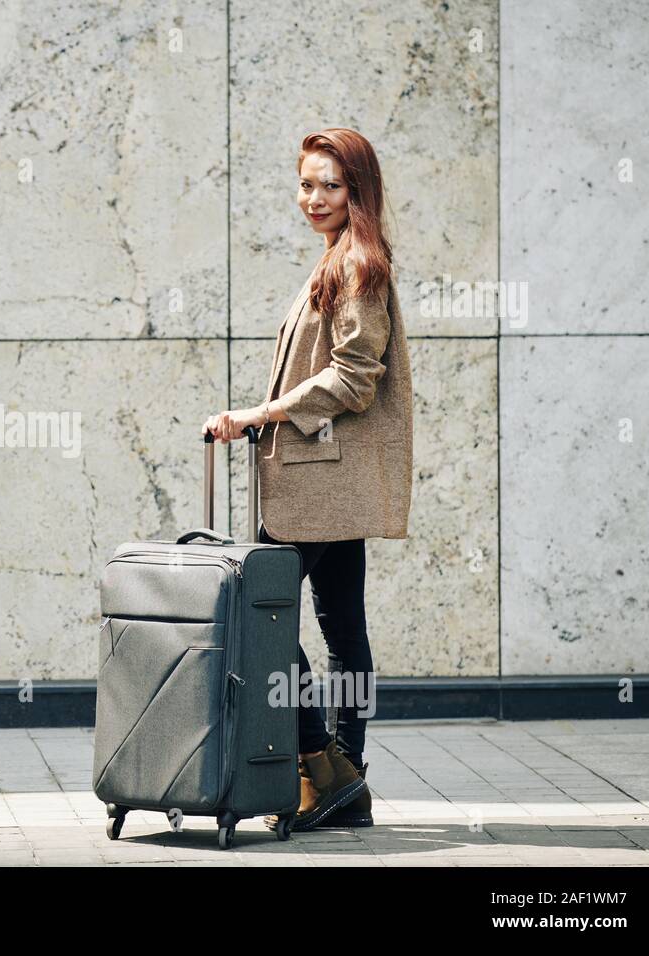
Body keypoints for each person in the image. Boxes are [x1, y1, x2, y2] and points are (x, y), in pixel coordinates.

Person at [202, 128, 413, 831]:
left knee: (255, 617)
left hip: (321, 481)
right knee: (341, 627)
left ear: (358, 190)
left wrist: (262, 413)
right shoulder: (340, 258)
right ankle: (344, 778)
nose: (314, 198)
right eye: (306, 183)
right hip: (329, 477)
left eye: (331, 184)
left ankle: (322, 761)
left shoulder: (357, 265)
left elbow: (354, 378)